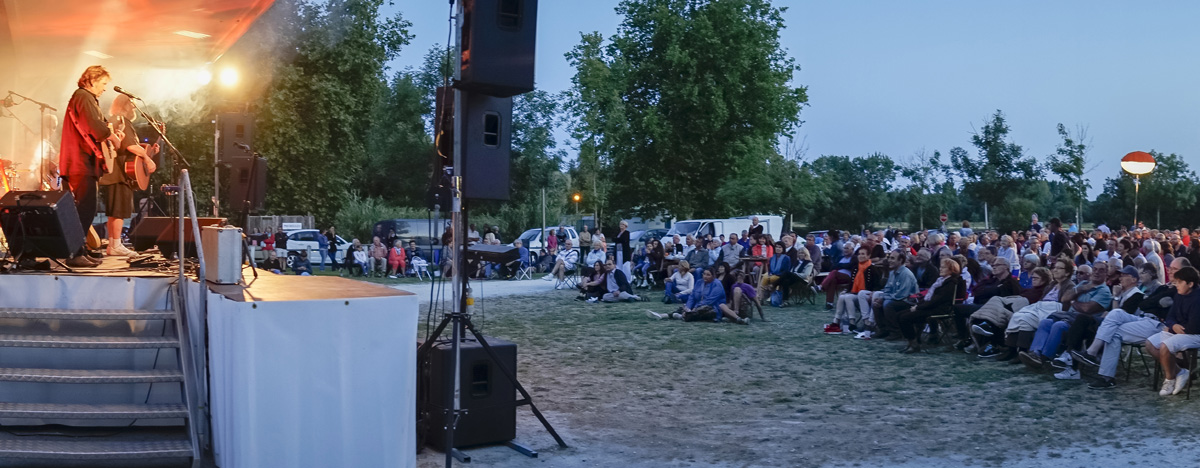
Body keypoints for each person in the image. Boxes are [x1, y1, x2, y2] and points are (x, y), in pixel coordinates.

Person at [60, 65, 120, 268]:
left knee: (85, 208)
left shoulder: (85, 98)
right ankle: (75, 253)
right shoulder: (84, 97)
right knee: (85, 207)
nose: (104, 88)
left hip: (80, 161)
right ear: (92, 80)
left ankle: (80, 251)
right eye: (103, 83)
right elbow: (93, 126)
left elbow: (96, 124)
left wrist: (110, 132)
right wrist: (111, 136)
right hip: (80, 161)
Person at [98, 94, 158, 257]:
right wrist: (147, 158)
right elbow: (130, 146)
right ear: (123, 105)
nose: (134, 108)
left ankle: (113, 243)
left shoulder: (117, 120)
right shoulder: (120, 120)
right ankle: (116, 244)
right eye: (131, 104)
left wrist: (147, 149)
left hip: (115, 171)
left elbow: (131, 145)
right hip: (119, 172)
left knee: (115, 209)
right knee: (119, 209)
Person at [1146, 266, 1200, 396]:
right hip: (1178, 330)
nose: (1176, 285)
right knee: (1150, 344)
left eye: (1180, 282)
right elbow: (1170, 317)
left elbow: (1193, 326)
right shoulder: (1179, 295)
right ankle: (1179, 372)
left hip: (1195, 334)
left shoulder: (1198, 299)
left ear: (1190, 284)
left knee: (1166, 346)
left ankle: (1169, 379)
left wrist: (1175, 327)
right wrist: (1174, 325)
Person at [897, 258, 966, 353]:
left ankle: (914, 344)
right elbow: (929, 298)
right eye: (940, 267)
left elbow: (936, 300)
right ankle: (912, 341)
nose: (940, 269)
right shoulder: (940, 281)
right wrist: (918, 305)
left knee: (905, 317)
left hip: (939, 309)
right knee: (900, 314)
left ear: (951, 270)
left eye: (943, 267)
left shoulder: (950, 283)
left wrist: (918, 307)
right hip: (931, 307)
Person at [647, 269, 746, 324]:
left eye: (708, 275)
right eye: (704, 274)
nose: (705, 276)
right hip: (697, 305)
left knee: (701, 310)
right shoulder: (699, 282)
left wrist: (695, 308)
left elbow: (709, 301)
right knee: (685, 307)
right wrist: (688, 307)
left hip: (713, 308)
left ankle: (681, 316)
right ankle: (663, 315)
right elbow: (693, 296)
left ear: (713, 276)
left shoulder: (717, 285)